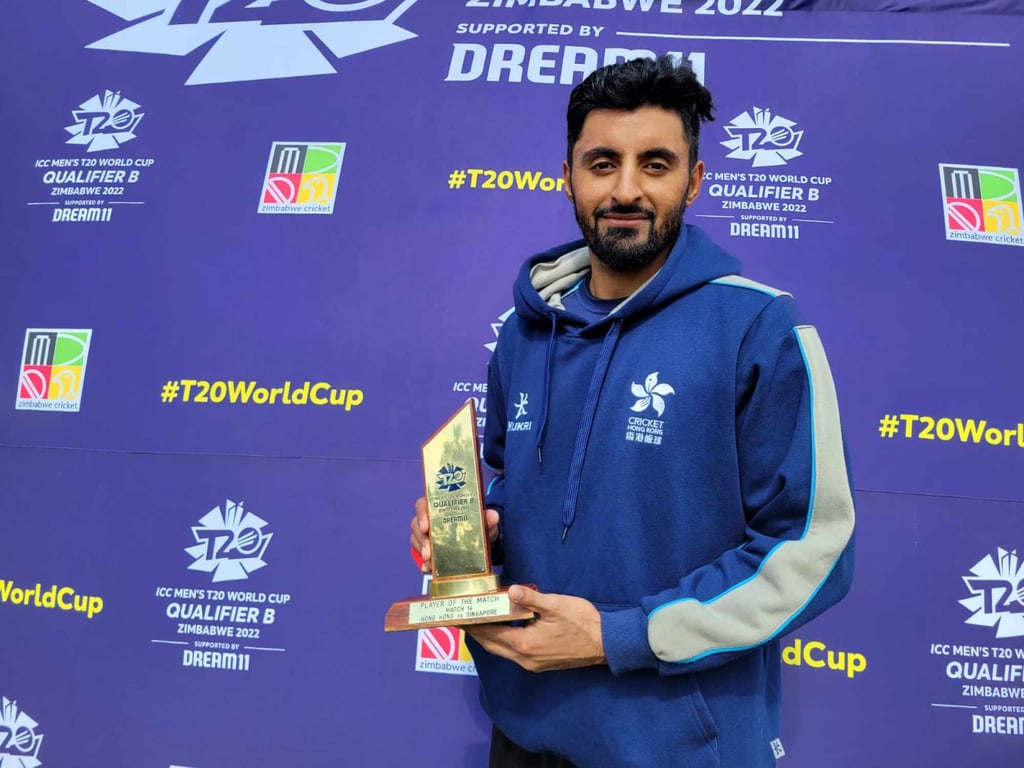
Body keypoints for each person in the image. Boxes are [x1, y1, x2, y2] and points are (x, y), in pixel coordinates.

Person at [411, 55, 855, 768]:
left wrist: (620, 636)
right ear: (567, 176)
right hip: (524, 728)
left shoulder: (761, 327)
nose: (626, 189)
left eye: (655, 163)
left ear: (695, 179)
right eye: (602, 162)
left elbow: (811, 549)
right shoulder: (528, 330)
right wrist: (472, 530)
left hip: (677, 743)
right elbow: (509, 482)